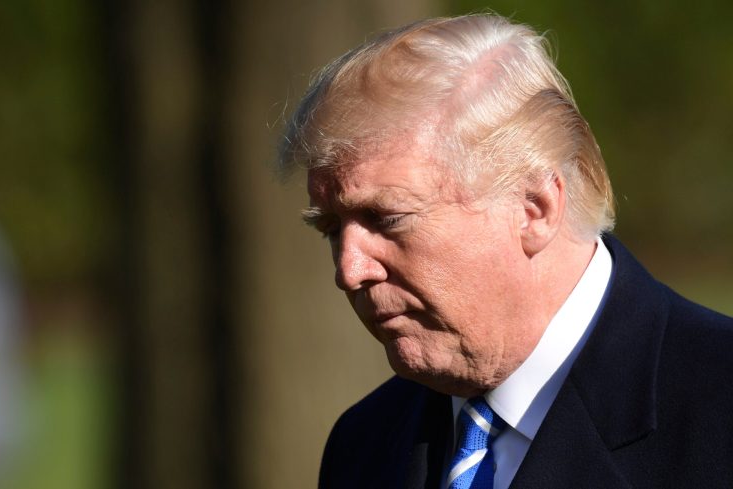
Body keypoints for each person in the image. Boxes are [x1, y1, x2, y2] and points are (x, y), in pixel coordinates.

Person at [278, 14, 733, 489]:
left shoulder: (718, 412)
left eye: (386, 219)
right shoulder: (365, 442)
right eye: (331, 229)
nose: (349, 270)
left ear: (534, 208)